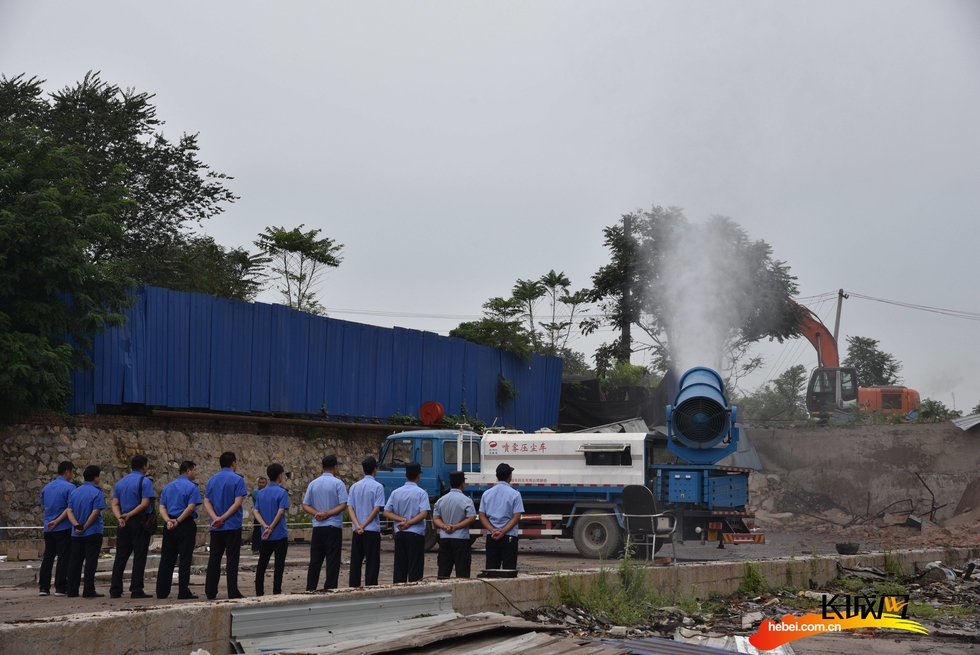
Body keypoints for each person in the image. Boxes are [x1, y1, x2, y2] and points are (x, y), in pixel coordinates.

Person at [110, 454, 155, 599]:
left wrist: (120, 518)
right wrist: (130, 515)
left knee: (121, 556)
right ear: (144, 466)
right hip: (138, 521)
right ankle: (136, 589)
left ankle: (115, 589)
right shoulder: (145, 481)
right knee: (139, 555)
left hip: (123, 522)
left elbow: (115, 504)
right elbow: (144, 503)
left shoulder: (121, 483)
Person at [204, 451, 247, 600]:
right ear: (233, 463)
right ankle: (232, 591)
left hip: (215, 526)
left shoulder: (212, 480)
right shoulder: (238, 480)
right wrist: (224, 517)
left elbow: (207, 500)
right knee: (232, 559)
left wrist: (215, 517)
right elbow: (237, 502)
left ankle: (210, 591)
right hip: (232, 524)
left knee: (214, 558)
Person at [156, 460, 202, 600]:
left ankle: (162, 591)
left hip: (169, 524)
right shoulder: (192, 487)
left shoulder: (168, 487)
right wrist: (178, 521)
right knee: (185, 558)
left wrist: (168, 520)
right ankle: (183, 591)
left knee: (167, 558)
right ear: (188, 471)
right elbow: (190, 508)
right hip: (184, 523)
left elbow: (162, 506)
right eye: (194, 470)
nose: (195, 473)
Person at [302, 454, 348, 591]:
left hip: (318, 526)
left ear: (322, 467)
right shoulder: (338, 483)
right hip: (333, 525)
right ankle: (330, 587)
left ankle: (310, 587)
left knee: (315, 560)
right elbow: (343, 505)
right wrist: (327, 513)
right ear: (335, 467)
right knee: (332, 560)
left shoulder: (313, 483)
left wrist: (316, 513)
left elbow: (305, 505)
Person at [383, 462, 430, 583]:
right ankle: (414, 594)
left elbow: (386, 512)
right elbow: (424, 513)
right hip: (415, 534)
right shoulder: (421, 493)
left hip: (400, 533)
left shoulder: (396, 492)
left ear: (405, 475)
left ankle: (399, 594)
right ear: (419, 476)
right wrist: (409, 523)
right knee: (415, 568)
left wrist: (401, 519)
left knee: (400, 567)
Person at [65, 465, 106, 598]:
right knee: (90, 561)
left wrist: (77, 525)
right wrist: (85, 526)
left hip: (75, 533)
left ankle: (72, 589)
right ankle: (88, 589)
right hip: (93, 532)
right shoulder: (97, 492)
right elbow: (95, 512)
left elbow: (69, 511)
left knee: (75, 561)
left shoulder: (75, 492)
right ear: (95, 478)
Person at [38, 461, 75, 596]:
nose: (72, 475)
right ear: (67, 471)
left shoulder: (47, 488)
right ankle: (60, 587)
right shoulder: (70, 487)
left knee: (48, 557)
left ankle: (44, 587)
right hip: (63, 526)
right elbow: (69, 508)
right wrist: (58, 520)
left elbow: (43, 507)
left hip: (48, 528)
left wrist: (51, 518)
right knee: (63, 557)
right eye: (72, 472)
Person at [347, 456, 386, 587]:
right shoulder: (378, 487)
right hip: (371, 529)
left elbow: (350, 507)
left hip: (357, 530)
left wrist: (357, 525)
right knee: (372, 562)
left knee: (356, 562)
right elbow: (376, 509)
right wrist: (363, 525)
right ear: (375, 469)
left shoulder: (354, 487)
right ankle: (371, 587)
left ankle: (353, 587)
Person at [478, 463, 524, 571]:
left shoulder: (487, 493)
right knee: (509, 570)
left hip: (492, 536)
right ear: (510, 476)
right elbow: (516, 517)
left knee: (491, 570)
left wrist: (493, 530)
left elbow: (482, 515)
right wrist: (502, 532)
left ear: (496, 476)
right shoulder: (515, 494)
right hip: (509, 537)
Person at [253, 463, 290, 596]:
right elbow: (280, 512)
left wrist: (265, 526)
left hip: (265, 534)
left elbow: (256, 511)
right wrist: (272, 527)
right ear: (280, 475)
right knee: (279, 565)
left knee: (262, 563)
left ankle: (259, 591)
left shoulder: (261, 493)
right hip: (279, 533)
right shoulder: (282, 492)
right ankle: (276, 590)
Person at [432, 471, 477, 579]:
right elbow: (471, 518)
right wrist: (456, 526)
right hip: (461, 539)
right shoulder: (466, 500)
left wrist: (444, 526)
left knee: (443, 571)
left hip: (445, 539)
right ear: (463, 483)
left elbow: (436, 518)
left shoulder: (441, 500)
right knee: (462, 572)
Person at [250, 476, 268, 554]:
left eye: (263, 483)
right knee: (257, 533)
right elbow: (263, 501)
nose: (261, 484)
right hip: (258, 515)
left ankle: (263, 548)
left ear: (266, 483)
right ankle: (255, 548)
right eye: (260, 483)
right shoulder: (255, 492)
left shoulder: (266, 491)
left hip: (265, 515)